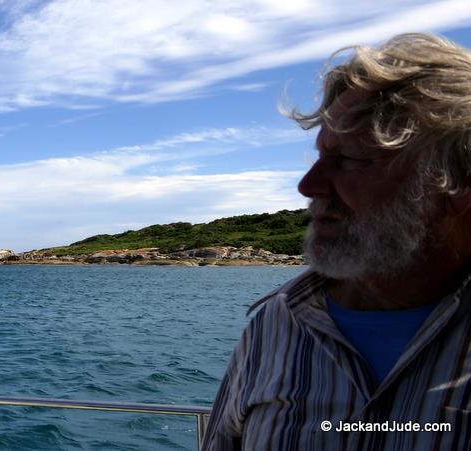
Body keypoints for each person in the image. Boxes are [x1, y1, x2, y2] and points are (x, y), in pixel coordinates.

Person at [201, 32, 471, 450]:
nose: (309, 186)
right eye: (321, 156)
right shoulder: (276, 325)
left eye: (351, 160)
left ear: (458, 181)